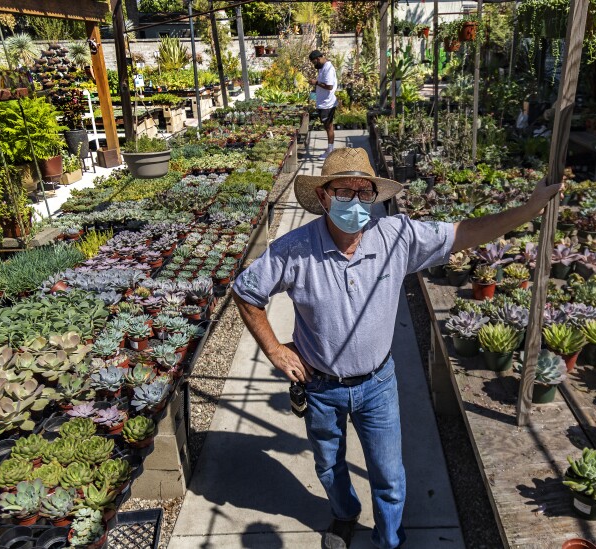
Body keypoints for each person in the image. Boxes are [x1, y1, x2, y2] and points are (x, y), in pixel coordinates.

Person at [232, 148, 561, 549]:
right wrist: (275, 351)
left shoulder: (396, 237)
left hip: (377, 385)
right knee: (328, 466)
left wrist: (527, 210)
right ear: (323, 197)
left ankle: (389, 539)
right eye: (344, 192)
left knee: (388, 474)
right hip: (320, 388)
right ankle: (345, 513)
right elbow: (246, 292)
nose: (355, 203)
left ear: (375, 197)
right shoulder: (294, 250)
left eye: (364, 192)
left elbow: (465, 232)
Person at [308, 50, 337, 160]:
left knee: (328, 127)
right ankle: (330, 149)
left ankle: (330, 151)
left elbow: (329, 86)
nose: (314, 65)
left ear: (318, 59)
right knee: (327, 127)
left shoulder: (328, 69)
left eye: (314, 62)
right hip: (324, 103)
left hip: (327, 104)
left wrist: (316, 83)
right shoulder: (323, 68)